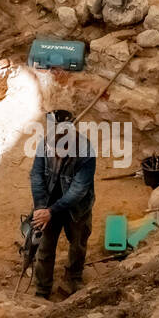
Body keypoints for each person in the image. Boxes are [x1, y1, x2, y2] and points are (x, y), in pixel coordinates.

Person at [30, 109, 95, 300]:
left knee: (78, 244)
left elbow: (79, 189)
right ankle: (42, 289)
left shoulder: (85, 151)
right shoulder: (45, 145)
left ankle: (74, 278)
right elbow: (36, 175)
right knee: (44, 246)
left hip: (76, 207)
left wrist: (52, 210)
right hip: (49, 204)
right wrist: (41, 206)